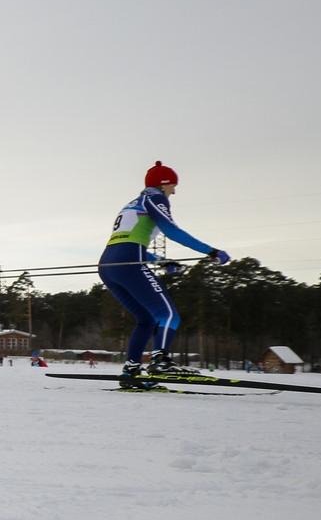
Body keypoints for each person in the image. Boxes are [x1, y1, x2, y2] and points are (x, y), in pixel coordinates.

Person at [99, 161, 231, 389]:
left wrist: (162, 261)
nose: (174, 191)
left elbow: (127, 244)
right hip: (129, 263)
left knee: (146, 319)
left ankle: (131, 370)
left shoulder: (132, 204)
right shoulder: (155, 198)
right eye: (173, 186)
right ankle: (160, 361)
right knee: (169, 314)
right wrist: (211, 251)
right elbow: (172, 231)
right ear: (163, 184)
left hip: (108, 266)